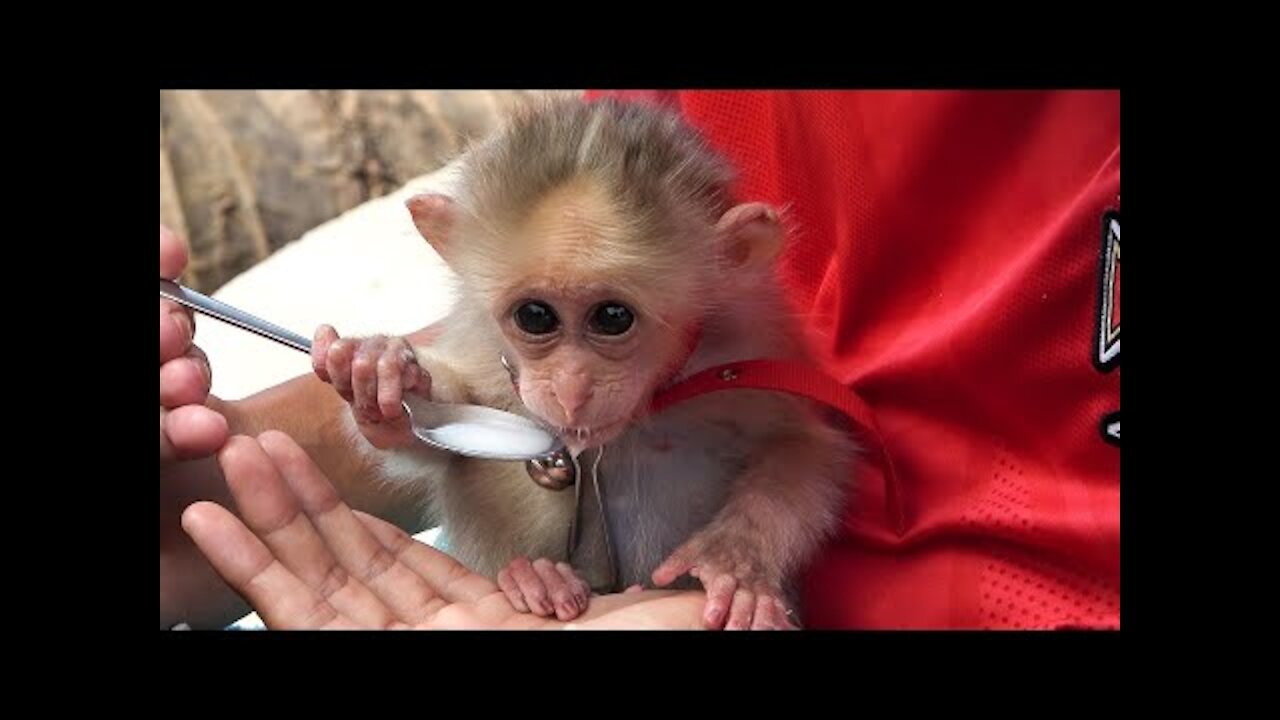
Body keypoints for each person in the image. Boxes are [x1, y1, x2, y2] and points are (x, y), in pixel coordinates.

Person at [161, 89, 1120, 629]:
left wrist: (750, 544)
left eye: (613, 320)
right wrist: (387, 402)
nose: (568, 389)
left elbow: (803, 452)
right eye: (534, 317)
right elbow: (459, 427)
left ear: (734, 261)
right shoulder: (589, 191)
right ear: (447, 243)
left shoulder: (751, 322)